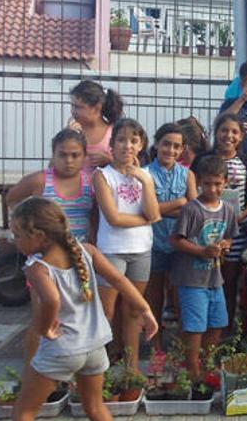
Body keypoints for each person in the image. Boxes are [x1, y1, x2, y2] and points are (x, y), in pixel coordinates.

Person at [8, 197, 157, 421]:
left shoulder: (37, 268)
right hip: (95, 347)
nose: (15, 240)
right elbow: (118, 279)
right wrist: (145, 309)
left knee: (24, 412)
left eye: (18, 234)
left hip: (62, 349)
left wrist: (45, 329)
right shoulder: (86, 250)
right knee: (95, 406)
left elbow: (51, 300)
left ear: (39, 236)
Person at [93, 118, 160, 369]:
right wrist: (145, 218)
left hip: (142, 250)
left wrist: (143, 181)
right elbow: (114, 218)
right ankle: (97, 367)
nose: (127, 146)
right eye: (121, 140)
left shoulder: (146, 175)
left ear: (141, 145)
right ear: (111, 145)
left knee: (134, 311)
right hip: (112, 250)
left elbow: (153, 213)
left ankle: (131, 369)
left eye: (133, 140)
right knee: (106, 313)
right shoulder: (103, 176)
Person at [170, 155, 237, 380]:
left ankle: (208, 365)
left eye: (218, 184)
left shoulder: (228, 209)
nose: (212, 188)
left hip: (214, 278)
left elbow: (230, 238)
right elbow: (176, 240)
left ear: (225, 183)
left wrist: (225, 245)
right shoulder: (191, 209)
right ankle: (192, 371)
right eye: (207, 183)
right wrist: (201, 251)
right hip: (191, 279)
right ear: (199, 182)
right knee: (194, 326)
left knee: (218, 322)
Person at [191, 114, 247, 330]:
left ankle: (225, 328)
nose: (228, 135)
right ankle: (202, 326)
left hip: (234, 232)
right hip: (205, 231)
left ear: (241, 137)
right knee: (202, 280)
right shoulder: (201, 160)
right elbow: (192, 190)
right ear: (216, 132)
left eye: (234, 132)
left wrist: (237, 218)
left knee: (228, 282)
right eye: (224, 130)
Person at [145, 123, 196, 358]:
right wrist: (179, 203)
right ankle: (156, 348)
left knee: (179, 298)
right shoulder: (145, 174)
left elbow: (194, 211)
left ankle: (180, 350)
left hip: (180, 244)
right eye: (166, 144)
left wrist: (160, 209)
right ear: (156, 144)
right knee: (153, 298)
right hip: (152, 243)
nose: (171, 150)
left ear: (183, 149)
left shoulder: (188, 175)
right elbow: (147, 211)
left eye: (177, 146)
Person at [6, 129, 95, 242]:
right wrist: (26, 227)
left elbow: (96, 217)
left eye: (75, 155)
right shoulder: (39, 180)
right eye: (62, 155)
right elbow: (11, 199)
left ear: (84, 156)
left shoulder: (91, 183)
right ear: (54, 155)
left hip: (80, 251)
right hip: (45, 252)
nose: (68, 160)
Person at [68, 81, 125, 173]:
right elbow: (54, 167)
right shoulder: (72, 131)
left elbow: (127, 168)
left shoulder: (114, 133)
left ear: (97, 108)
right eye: (72, 106)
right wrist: (68, 138)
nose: (73, 111)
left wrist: (109, 161)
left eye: (78, 107)